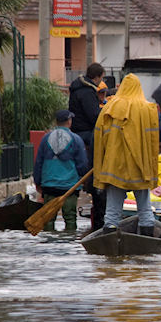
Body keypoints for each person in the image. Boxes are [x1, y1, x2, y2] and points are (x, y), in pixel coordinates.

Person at [93, 73, 160, 236]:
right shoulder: (148, 109)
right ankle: (147, 242)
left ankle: (110, 243)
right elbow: (153, 143)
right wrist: (152, 169)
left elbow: (99, 139)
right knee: (145, 209)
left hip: (114, 167)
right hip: (140, 166)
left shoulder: (109, 107)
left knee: (112, 212)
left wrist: (100, 167)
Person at [32, 110, 89, 231]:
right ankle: (70, 239)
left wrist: (38, 182)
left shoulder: (45, 139)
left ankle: (49, 240)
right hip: (70, 187)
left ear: (56, 122)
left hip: (49, 186)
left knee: (48, 219)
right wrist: (84, 180)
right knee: (70, 218)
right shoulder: (76, 139)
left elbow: (38, 162)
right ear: (69, 122)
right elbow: (82, 164)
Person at [68, 63, 105, 230]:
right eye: (101, 78)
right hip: (86, 133)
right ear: (97, 77)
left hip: (79, 130)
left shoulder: (78, 88)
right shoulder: (87, 92)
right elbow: (94, 116)